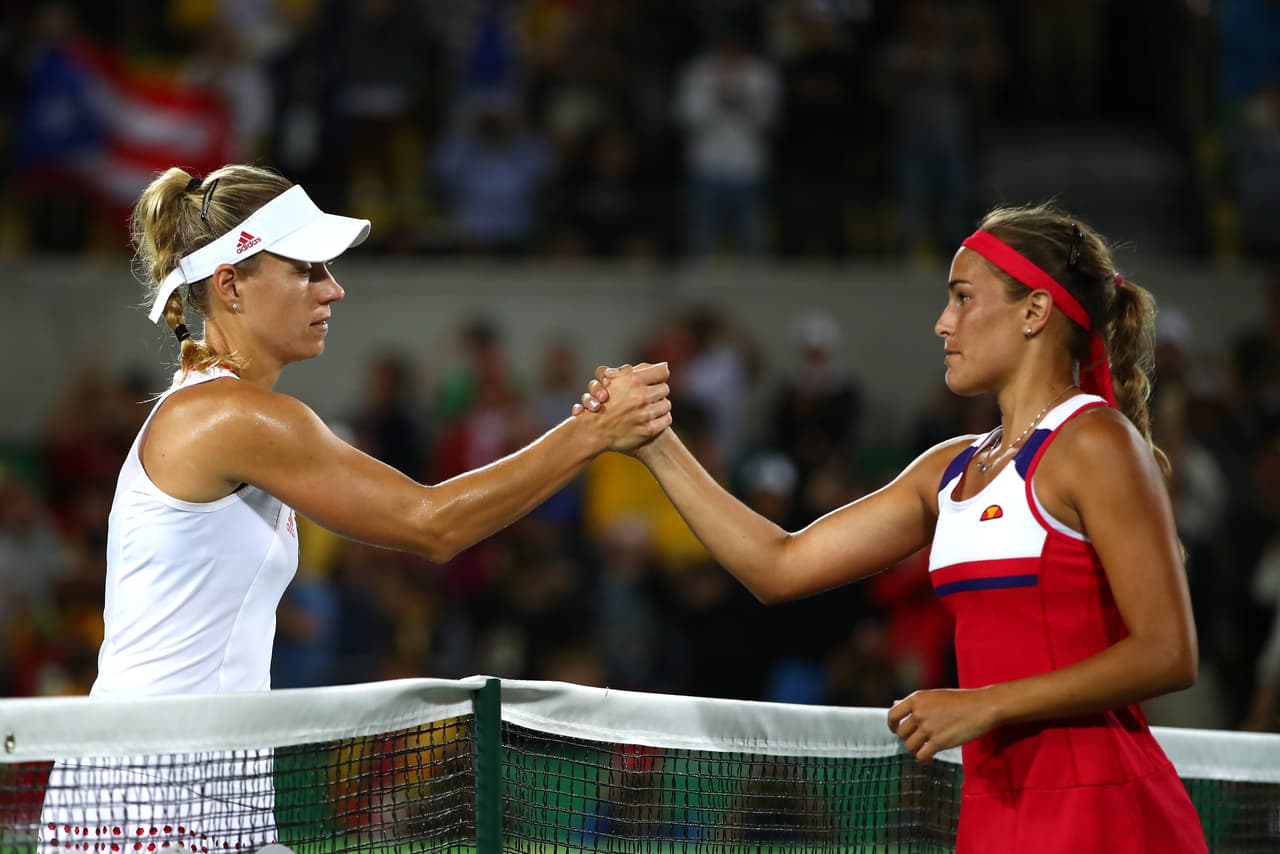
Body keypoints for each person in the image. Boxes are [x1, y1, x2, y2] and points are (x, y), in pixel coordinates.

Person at [38, 163, 671, 852]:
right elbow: (433, 523)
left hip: (200, 800)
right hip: (147, 808)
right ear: (230, 285)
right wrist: (592, 432)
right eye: (306, 270)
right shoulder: (231, 417)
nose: (333, 288)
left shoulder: (217, 411)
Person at [579, 203, 1207, 853]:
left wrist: (985, 703)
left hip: (1104, 809)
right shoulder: (947, 469)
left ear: (1035, 311)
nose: (943, 322)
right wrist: (655, 439)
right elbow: (778, 566)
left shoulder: (1096, 442)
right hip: (995, 809)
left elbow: (1167, 652)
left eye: (963, 298)